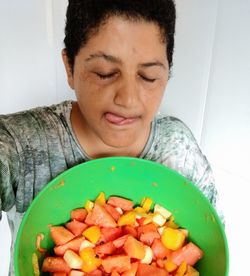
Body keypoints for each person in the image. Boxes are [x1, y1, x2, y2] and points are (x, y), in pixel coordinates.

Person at [0, 0, 222, 274]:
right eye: (105, 73)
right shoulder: (19, 144)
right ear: (69, 67)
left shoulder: (180, 150)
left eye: (149, 76)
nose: (128, 99)